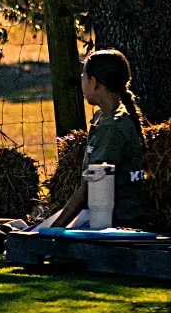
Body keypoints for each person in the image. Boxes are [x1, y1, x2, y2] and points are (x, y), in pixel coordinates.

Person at [47, 49, 148, 229]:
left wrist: (55, 229)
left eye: (84, 75)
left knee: (28, 240)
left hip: (114, 221)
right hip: (102, 216)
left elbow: (89, 187)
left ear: (94, 83)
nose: (81, 79)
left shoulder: (112, 128)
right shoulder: (103, 118)